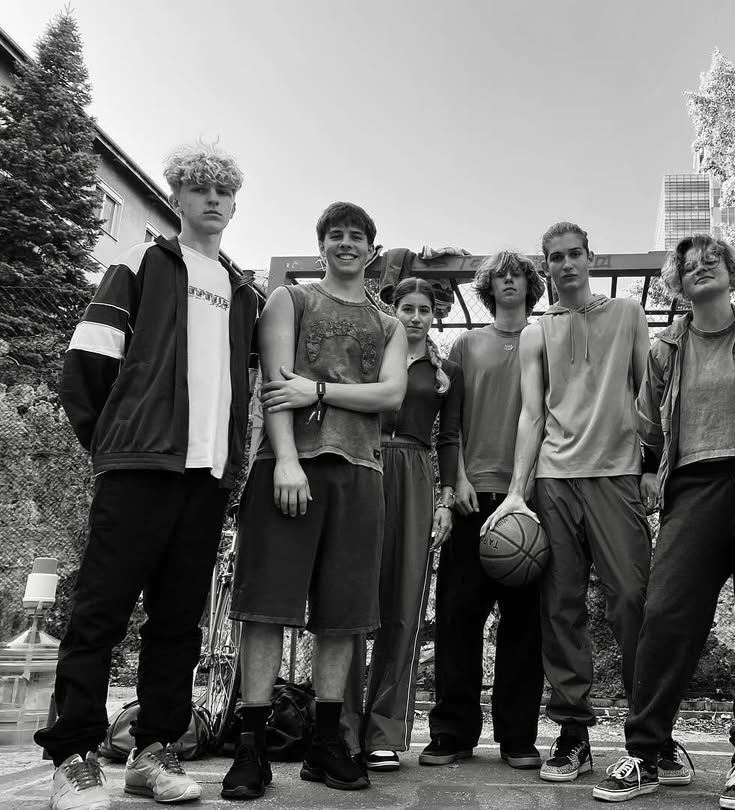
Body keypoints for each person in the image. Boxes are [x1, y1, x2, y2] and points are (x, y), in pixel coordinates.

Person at [39, 142, 262, 810]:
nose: (212, 200)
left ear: (234, 204)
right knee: (99, 613)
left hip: (207, 479)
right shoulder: (139, 264)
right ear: (177, 198)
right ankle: (74, 757)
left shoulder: (242, 292)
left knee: (177, 624)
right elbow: (88, 364)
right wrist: (114, 443)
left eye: (223, 191)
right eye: (199, 189)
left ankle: (154, 751)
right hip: (138, 469)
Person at [592, 234, 735, 807]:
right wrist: (649, 468)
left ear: (731, 270)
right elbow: (648, 423)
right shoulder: (666, 348)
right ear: (677, 282)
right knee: (665, 615)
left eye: (711, 260)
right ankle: (645, 751)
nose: (700, 268)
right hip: (693, 487)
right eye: (689, 265)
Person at [221, 201, 406, 798]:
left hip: (360, 472)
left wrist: (320, 390)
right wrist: (287, 460)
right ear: (321, 244)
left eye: (357, 237)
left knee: (343, 615)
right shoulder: (291, 300)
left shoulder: (389, 324)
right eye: (336, 235)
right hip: (288, 467)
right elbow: (277, 388)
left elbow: (392, 396)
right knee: (266, 607)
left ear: (372, 249)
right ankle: (251, 746)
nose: (346, 244)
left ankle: (326, 744)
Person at [481, 222, 652, 784]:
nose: (567, 264)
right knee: (560, 607)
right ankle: (573, 732)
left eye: (575, 253)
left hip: (617, 474)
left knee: (632, 599)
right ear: (547, 266)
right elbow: (532, 414)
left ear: (590, 258)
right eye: (556, 257)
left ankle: (651, 732)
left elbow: (647, 395)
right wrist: (516, 491)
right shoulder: (537, 333)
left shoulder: (628, 313)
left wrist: (654, 466)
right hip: (555, 479)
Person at [419, 251, 547, 770]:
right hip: (474, 497)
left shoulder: (547, 338)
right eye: (500, 275)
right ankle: (453, 732)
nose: (509, 280)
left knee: (525, 626)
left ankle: (518, 736)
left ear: (531, 285)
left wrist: (532, 485)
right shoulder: (467, 345)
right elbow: (450, 423)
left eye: (517, 274)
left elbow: (550, 416)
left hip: (530, 502)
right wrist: (456, 482)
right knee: (457, 620)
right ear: (488, 287)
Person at [351, 277, 464, 771]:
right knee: (350, 598)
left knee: (404, 603)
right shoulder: (371, 356)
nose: (416, 317)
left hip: (416, 474)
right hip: (363, 464)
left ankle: (383, 731)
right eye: (407, 308)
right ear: (392, 311)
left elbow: (450, 437)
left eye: (424, 310)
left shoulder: (447, 373)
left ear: (434, 316)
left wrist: (446, 498)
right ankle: (340, 726)